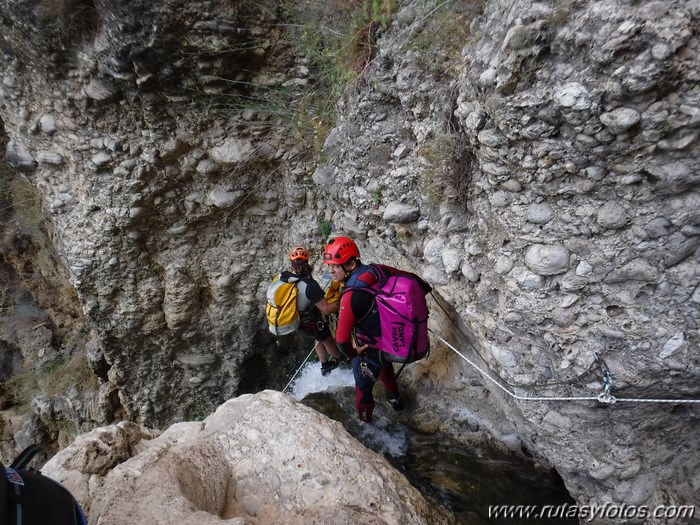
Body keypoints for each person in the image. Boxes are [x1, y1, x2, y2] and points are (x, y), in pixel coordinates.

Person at [323, 236, 404, 423]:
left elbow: (342, 339)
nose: (331, 271)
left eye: (336, 265)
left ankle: (366, 424)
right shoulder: (377, 270)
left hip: (370, 347)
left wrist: (354, 353)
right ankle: (395, 398)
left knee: (363, 389)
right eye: (330, 266)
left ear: (351, 264)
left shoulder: (350, 294)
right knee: (385, 364)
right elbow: (409, 278)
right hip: (392, 337)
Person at [285, 246, 343, 375]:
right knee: (327, 340)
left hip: (299, 324)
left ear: (291, 265)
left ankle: (324, 365)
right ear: (307, 263)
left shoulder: (286, 280)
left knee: (318, 339)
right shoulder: (309, 285)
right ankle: (342, 358)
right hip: (313, 323)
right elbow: (326, 309)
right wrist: (343, 302)